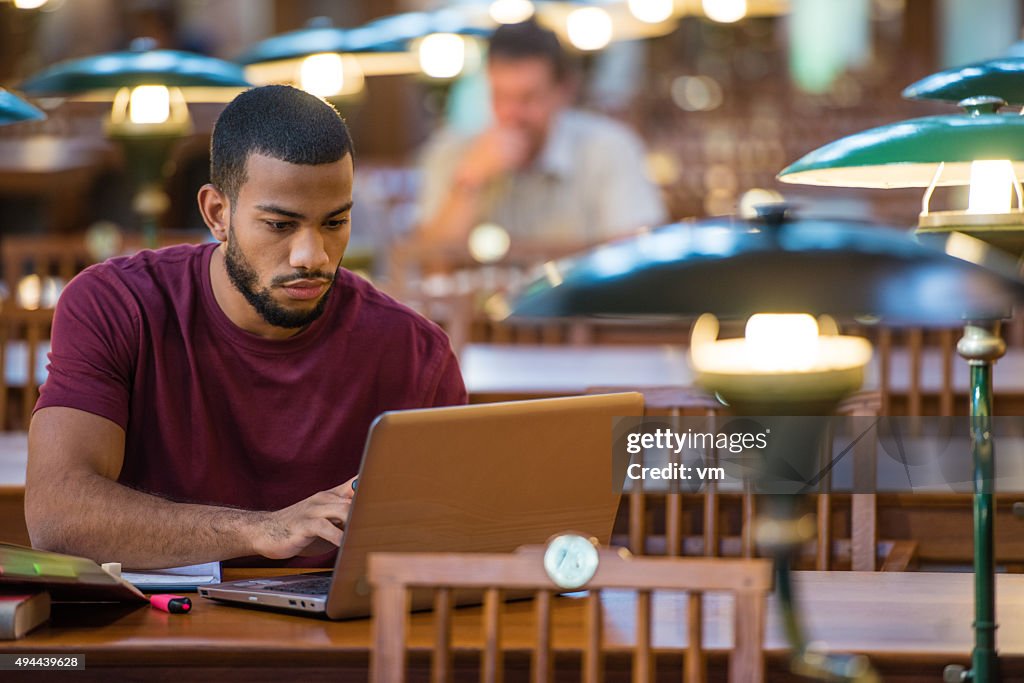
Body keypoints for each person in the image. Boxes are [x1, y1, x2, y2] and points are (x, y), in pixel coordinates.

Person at [25, 86, 467, 569]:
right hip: (154, 631)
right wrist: (263, 530)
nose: (312, 256)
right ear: (218, 213)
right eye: (280, 225)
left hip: (339, 638)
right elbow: (57, 517)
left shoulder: (415, 351)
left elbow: (457, 535)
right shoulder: (116, 304)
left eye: (335, 222)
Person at [416, 19, 667, 247]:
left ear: (564, 91)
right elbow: (429, 262)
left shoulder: (610, 148)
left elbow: (634, 257)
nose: (511, 113)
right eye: (500, 96)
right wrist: (470, 183)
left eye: (528, 98)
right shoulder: (452, 153)